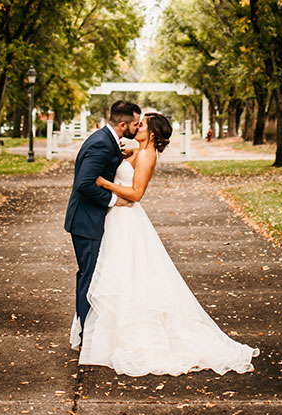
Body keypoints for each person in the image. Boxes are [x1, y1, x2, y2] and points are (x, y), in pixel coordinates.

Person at [77, 112, 259, 376]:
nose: (137, 126)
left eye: (142, 124)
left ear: (151, 133)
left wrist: (105, 183)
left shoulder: (148, 154)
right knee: (119, 276)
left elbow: (137, 194)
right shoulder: (137, 149)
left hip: (127, 217)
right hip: (116, 218)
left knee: (129, 274)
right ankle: (109, 335)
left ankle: (132, 338)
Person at [65, 100, 141, 347]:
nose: (137, 128)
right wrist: (113, 200)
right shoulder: (100, 144)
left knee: (91, 275)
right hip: (86, 221)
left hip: (90, 219)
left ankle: (90, 332)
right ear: (123, 124)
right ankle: (88, 337)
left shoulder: (106, 140)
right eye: (134, 124)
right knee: (90, 277)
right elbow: (84, 183)